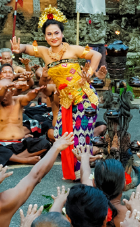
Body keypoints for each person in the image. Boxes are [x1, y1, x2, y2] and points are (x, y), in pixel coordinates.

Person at [10, 19, 103, 181]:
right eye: (49, 34)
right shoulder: (45, 52)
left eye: (56, 33)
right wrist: (19, 49)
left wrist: (90, 74)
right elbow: (27, 49)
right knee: (61, 134)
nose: (53, 37)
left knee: (82, 135)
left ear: (62, 34)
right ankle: (76, 169)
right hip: (66, 102)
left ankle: (84, 172)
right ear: (45, 37)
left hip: (84, 98)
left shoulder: (72, 49)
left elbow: (96, 54)